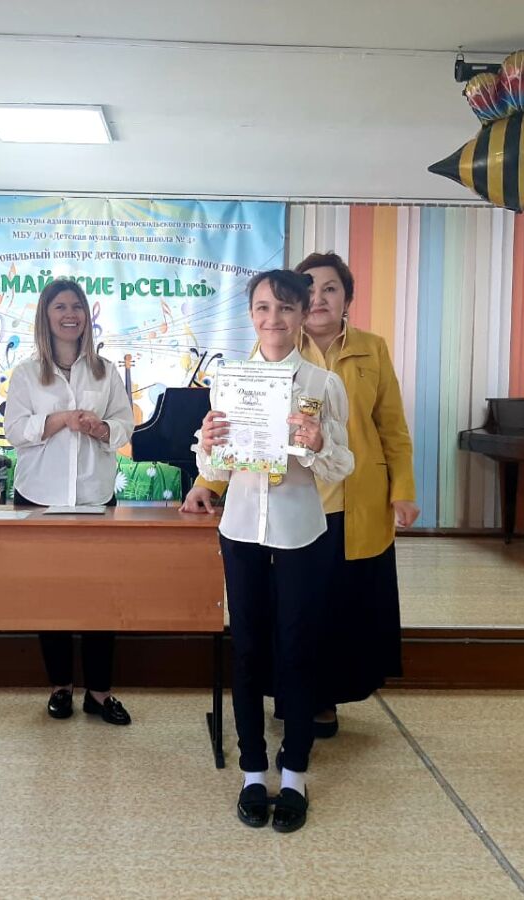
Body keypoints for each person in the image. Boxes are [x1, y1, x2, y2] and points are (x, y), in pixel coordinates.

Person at [183, 251, 417, 737]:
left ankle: (323, 700)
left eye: (332, 288)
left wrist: (403, 490)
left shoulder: (370, 349)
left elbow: (391, 426)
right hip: (291, 501)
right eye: (311, 289)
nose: (320, 297)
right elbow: (239, 427)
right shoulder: (272, 348)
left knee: (339, 605)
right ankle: (288, 698)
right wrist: (207, 482)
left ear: (346, 298)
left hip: (353, 498)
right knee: (288, 608)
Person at [194, 269, 353, 833]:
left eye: (286, 307)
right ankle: (252, 770)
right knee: (248, 650)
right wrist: (208, 446)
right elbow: (216, 469)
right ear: (250, 314)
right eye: (263, 307)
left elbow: (341, 466)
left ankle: (295, 773)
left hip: (299, 531)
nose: (273, 319)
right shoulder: (229, 381)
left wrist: (318, 443)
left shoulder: (323, 384)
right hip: (240, 529)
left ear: (303, 313)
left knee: (298, 648)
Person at [3, 279, 135, 726]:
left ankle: (100, 693)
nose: (70, 314)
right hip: (39, 497)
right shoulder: (26, 373)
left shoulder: (104, 371)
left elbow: (125, 425)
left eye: (77, 306)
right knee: (50, 594)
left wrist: (102, 429)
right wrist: (60, 419)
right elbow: (15, 431)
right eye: (60, 306)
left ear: (86, 316)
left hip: (95, 496)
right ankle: (60, 686)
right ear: (46, 315)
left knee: (101, 595)